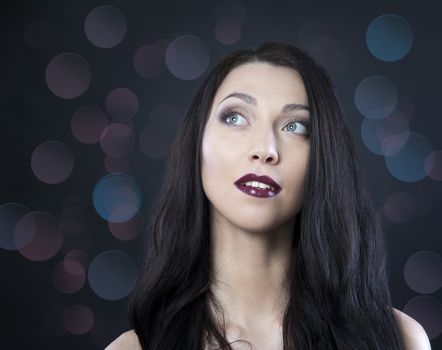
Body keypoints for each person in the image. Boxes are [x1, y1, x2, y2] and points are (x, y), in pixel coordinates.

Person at [106, 42, 431, 349]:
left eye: (296, 127)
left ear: (324, 159)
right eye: (235, 118)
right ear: (196, 144)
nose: (265, 149)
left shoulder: (399, 339)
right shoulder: (134, 347)